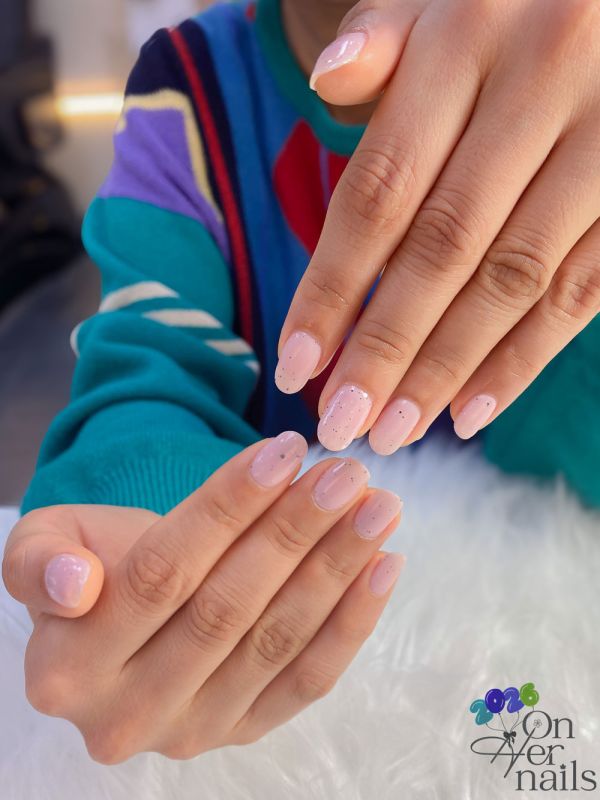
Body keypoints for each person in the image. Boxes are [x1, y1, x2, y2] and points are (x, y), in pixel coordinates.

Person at [2, 0, 598, 764]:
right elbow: (148, 369)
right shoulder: (188, 85)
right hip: (338, 688)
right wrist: (141, 531)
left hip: (536, 647)